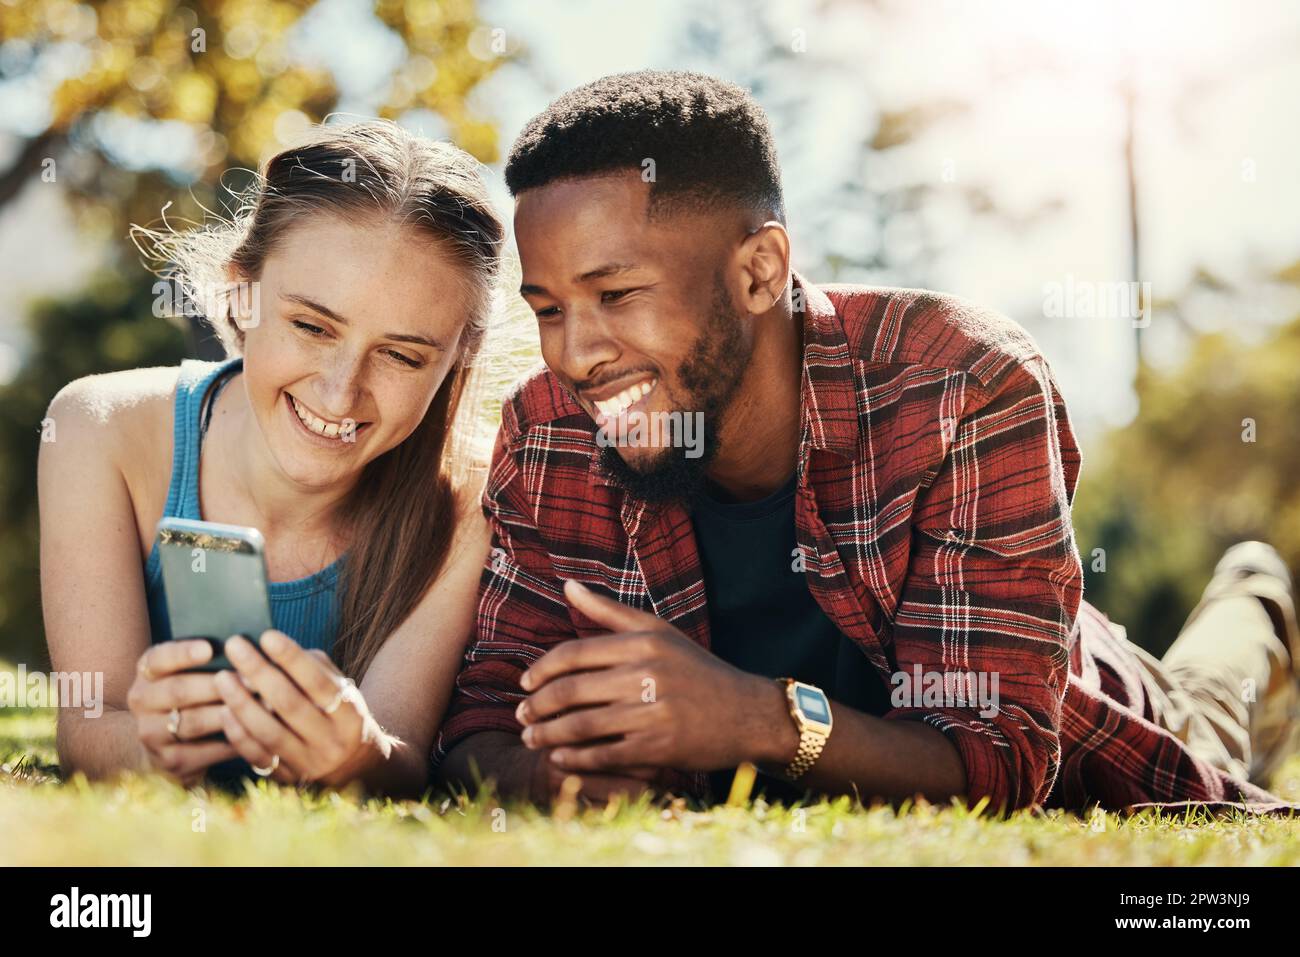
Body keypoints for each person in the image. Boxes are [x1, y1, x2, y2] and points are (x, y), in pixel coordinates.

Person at [433, 70, 1300, 813]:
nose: (575, 352)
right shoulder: (548, 431)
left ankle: (1254, 599)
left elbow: (999, 761)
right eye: (547, 309)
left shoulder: (961, 385)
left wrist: (752, 717)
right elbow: (478, 721)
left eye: (617, 295)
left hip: (1093, 700)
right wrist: (556, 780)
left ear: (758, 271)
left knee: (1210, 702)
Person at [39, 120, 502, 796]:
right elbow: (86, 732)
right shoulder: (97, 429)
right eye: (312, 326)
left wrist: (356, 755)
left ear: (462, 352)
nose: (341, 392)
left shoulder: (469, 501)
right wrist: (153, 744)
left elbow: (399, 761)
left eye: (402, 355)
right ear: (240, 293)